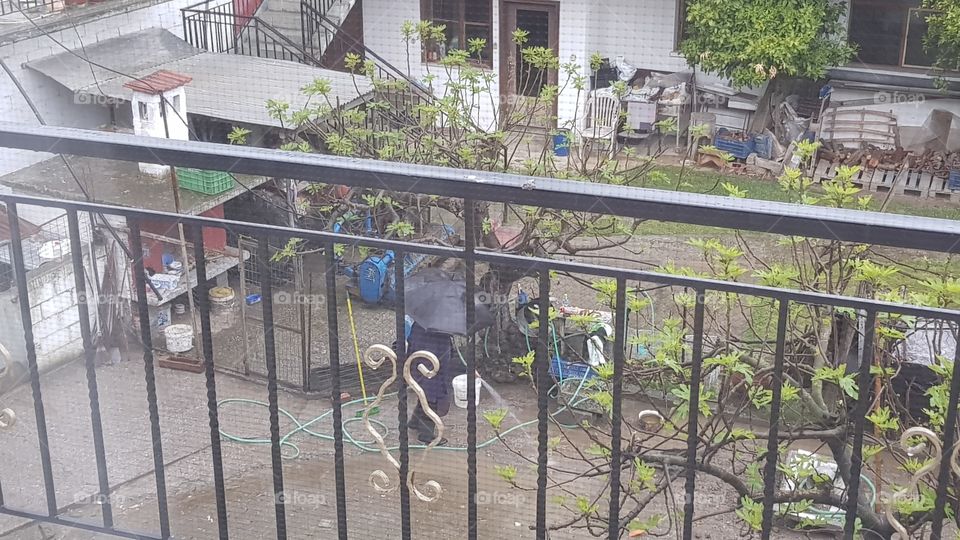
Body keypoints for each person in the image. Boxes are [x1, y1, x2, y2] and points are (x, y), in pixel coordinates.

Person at [405, 322, 454, 445]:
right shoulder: (441, 330)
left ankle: (414, 422)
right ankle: (425, 435)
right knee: (433, 395)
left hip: (418, 361)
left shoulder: (421, 323)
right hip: (430, 366)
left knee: (424, 391)